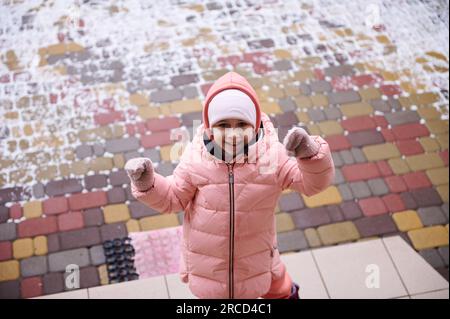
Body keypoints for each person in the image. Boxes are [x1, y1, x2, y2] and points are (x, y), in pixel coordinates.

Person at [125, 71, 335, 299]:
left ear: (254, 125)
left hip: (257, 256)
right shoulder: (197, 158)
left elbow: (311, 184)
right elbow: (174, 198)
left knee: (279, 288)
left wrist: (309, 155)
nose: (233, 133)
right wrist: (147, 182)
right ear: (208, 127)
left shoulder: (270, 156)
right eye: (223, 124)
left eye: (242, 124)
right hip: (208, 265)